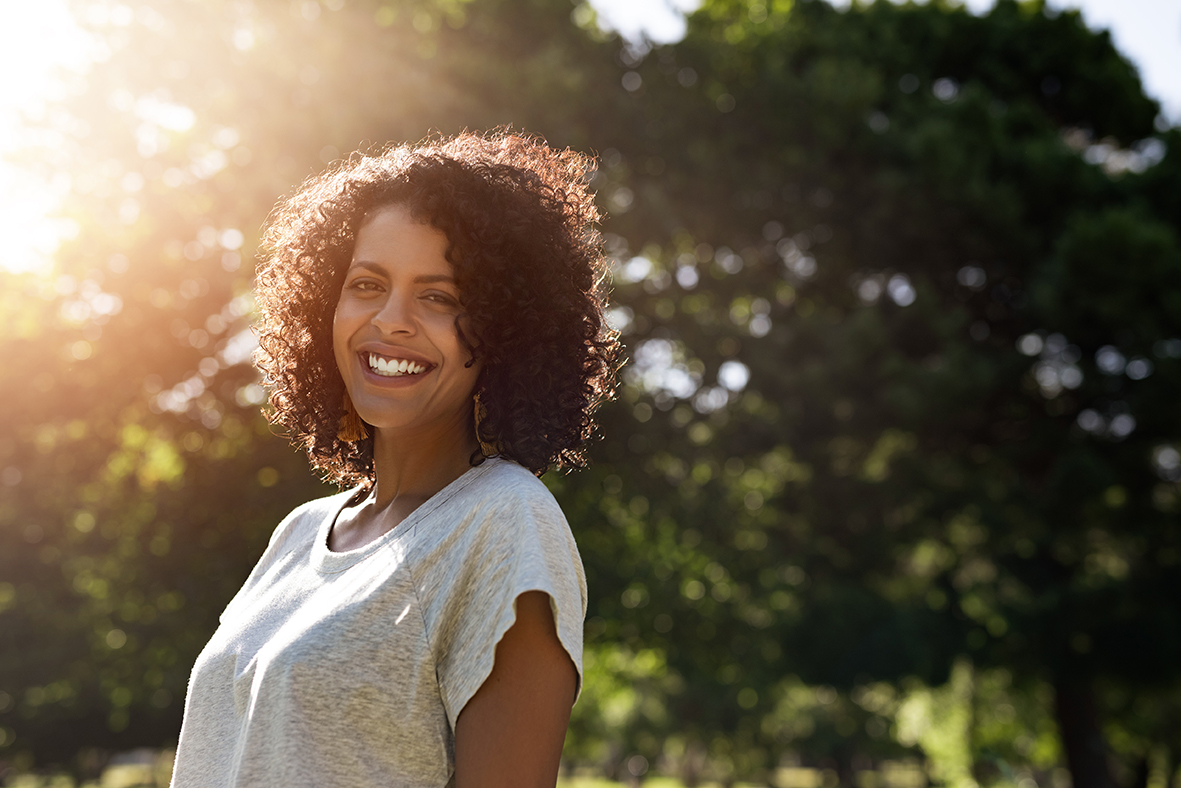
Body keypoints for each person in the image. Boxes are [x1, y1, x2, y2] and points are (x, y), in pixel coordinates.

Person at [169, 131, 620, 788]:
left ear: (504, 328)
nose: (391, 320)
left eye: (438, 296)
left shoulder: (506, 524)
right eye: (366, 284)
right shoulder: (298, 534)